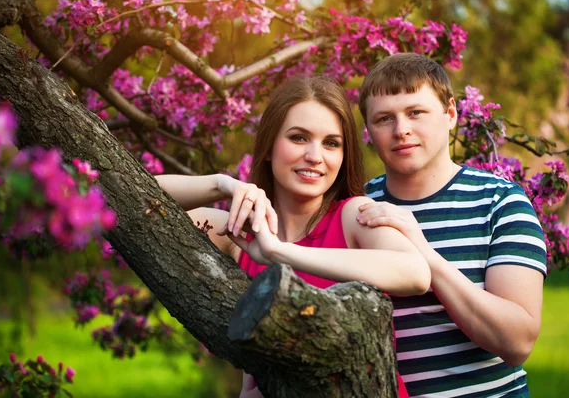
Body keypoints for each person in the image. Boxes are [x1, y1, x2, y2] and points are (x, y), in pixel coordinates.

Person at [156, 76, 431, 397]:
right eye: (299, 138)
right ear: (270, 147)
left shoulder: (353, 215)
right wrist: (222, 185)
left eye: (331, 143)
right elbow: (132, 200)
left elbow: (416, 273)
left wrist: (279, 252)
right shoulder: (239, 233)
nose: (315, 156)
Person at [355, 53, 547, 397]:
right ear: (368, 131)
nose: (402, 130)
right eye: (384, 118)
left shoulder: (501, 204)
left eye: (416, 112)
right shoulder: (355, 210)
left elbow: (517, 342)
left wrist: (425, 256)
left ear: (451, 114)